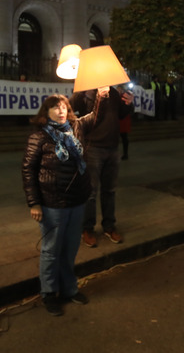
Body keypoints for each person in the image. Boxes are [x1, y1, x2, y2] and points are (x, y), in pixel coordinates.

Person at [21, 94, 101, 316]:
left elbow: (97, 116)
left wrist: (100, 95)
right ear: (45, 113)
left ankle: (69, 289)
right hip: (52, 203)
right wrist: (34, 203)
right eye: (55, 108)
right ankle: (49, 293)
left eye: (63, 106)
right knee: (51, 251)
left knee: (70, 249)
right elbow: (28, 170)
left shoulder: (76, 128)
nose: (60, 110)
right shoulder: (39, 137)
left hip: (77, 201)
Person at [70, 86, 134, 247]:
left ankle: (109, 226)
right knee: (90, 192)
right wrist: (81, 90)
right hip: (93, 148)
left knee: (110, 191)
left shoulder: (113, 92)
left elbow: (121, 114)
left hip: (112, 148)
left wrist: (128, 104)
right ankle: (87, 228)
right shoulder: (87, 91)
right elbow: (71, 107)